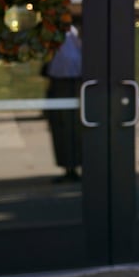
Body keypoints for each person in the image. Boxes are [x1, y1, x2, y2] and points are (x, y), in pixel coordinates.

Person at [43, 10, 83, 182]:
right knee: (62, 128)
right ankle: (69, 167)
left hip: (74, 84)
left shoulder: (73, 36)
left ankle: (74, 166)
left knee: (74, 128)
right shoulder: (59, 37)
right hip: (61, 84)